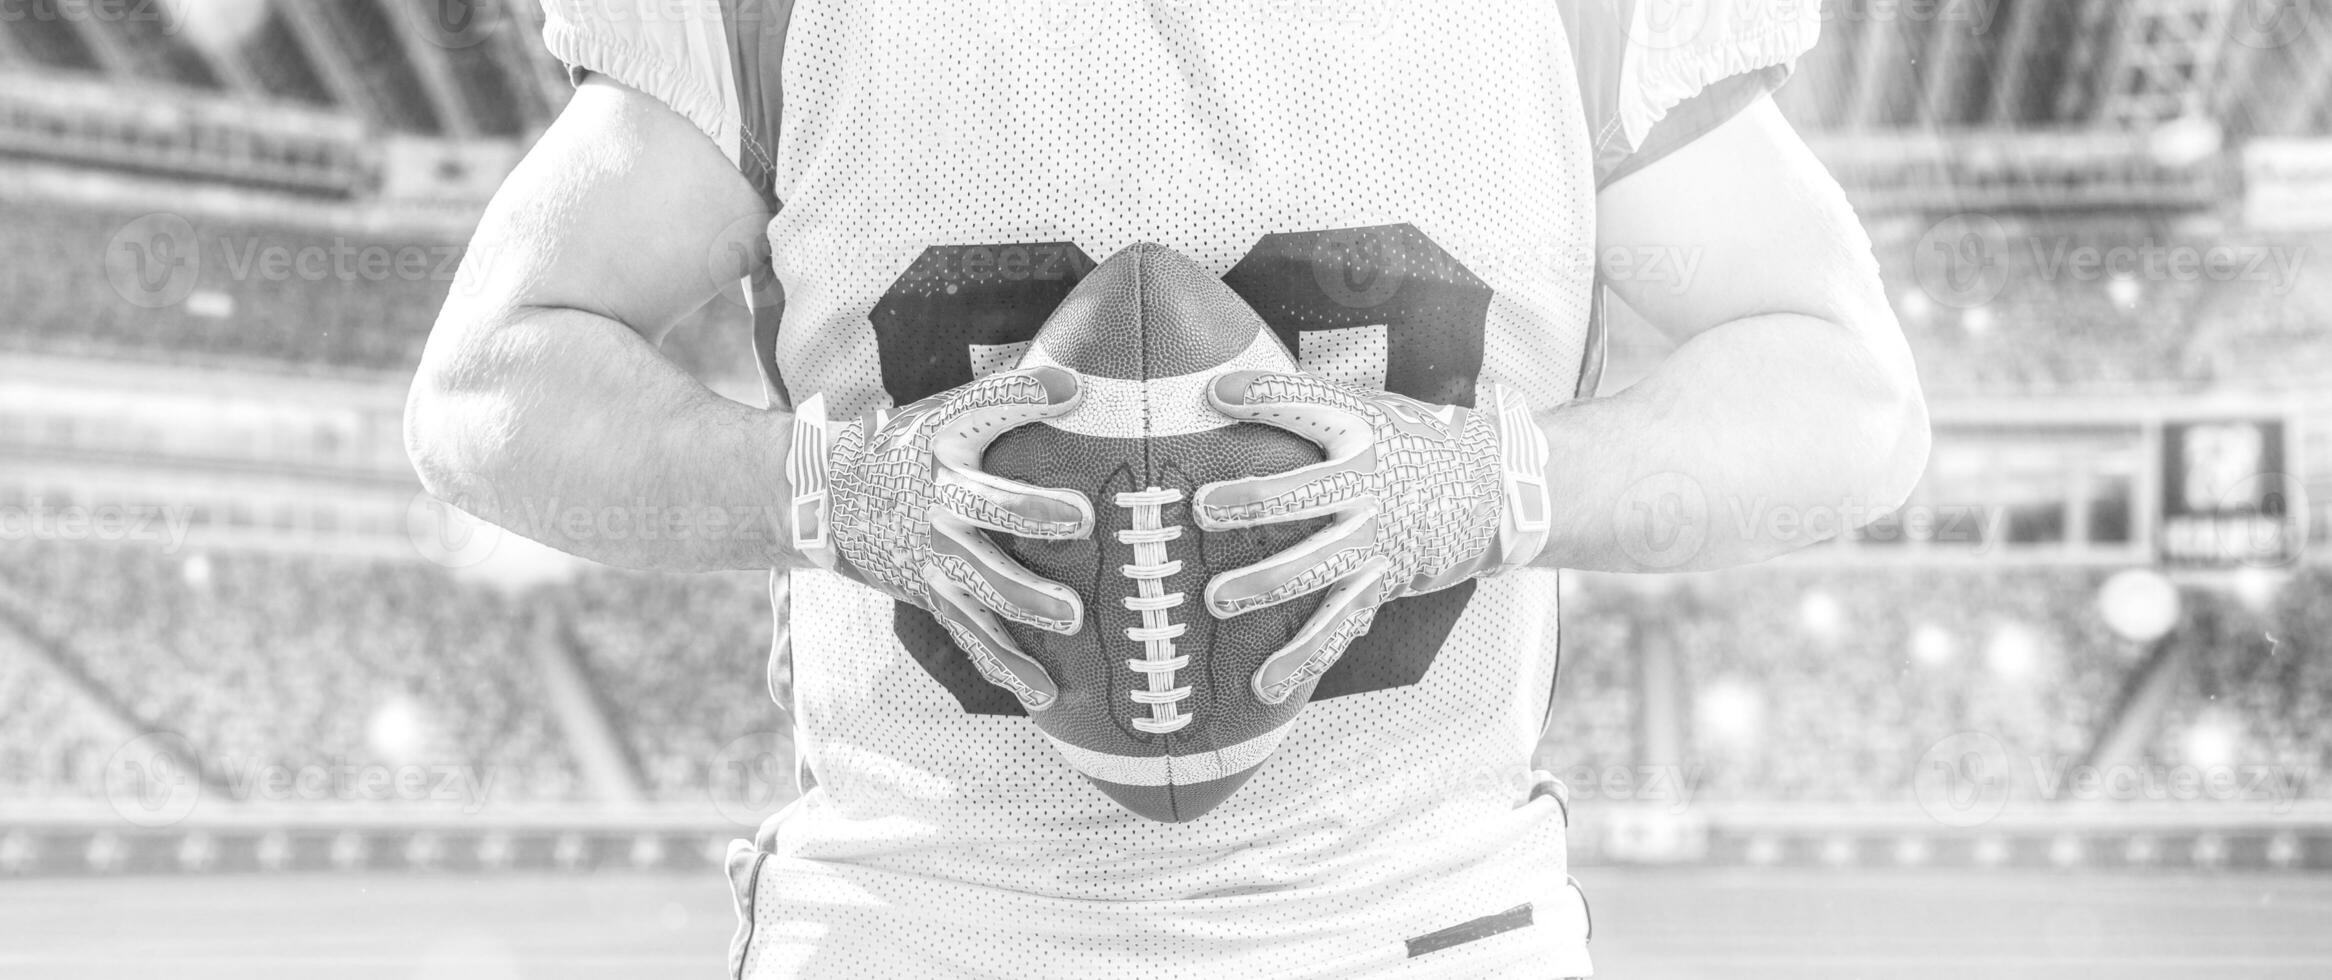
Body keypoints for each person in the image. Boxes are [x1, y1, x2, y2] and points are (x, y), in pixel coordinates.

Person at [406, 1, 1929, 975]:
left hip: (1413, 919)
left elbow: (1845, 396)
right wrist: (825, 490)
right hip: (929, 919)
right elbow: (489, 386)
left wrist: (1486, 484)